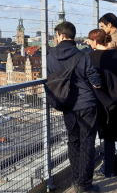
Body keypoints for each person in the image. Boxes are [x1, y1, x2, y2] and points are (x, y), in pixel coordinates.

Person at [47, 22, 102, 192]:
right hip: (87, 105)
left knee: (73, 142)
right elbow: (96, 82)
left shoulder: (50, 56)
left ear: (61, 36)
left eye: (56, 36)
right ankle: (85, 185)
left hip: (66, 105)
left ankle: (76, 180)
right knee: (87, 143)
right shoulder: (83, 56)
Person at [86, 29, 117, 178]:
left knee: (108, 137)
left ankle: (108, 169)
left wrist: (90, 49)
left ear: (94, 41)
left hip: (104, 103)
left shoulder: (91, 57)